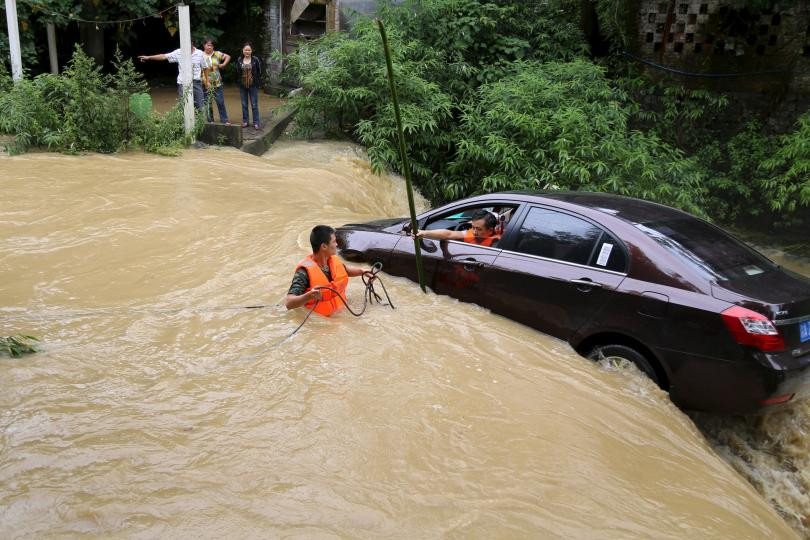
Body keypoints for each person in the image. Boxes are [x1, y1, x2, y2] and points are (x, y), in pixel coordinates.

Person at [285, 225, 367, 317]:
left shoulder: (332, 260)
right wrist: (308, 296)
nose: (336, 244)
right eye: (334, 241)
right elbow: (289, 303)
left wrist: (361, 272)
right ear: (324, 246)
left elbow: (345, 270)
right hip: (319, 323)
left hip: (340, 313)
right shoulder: (304, 272)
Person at [138, 42, 204, 110]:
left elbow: (204, 67)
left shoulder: (200, 53)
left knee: (200, 105)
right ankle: (183, 120)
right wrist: (149, 57)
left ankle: (200, 120)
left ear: (192, 43)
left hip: (196, 82)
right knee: (183, 105)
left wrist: (205, 79)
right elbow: (164, 56)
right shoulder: (179, 52)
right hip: (182, 83)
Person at [416, 209, 501, 247]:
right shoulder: (471, 233)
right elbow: (449, 234)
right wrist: (424, 233)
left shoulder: (499, 241)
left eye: (479, 229)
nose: (474, 232)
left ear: (490, 230)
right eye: (473, 227)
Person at [201, 37, 231, 124]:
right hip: (205, 83)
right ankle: (210, 121)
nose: (209, 47)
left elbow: (228, 56)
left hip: (217, 82)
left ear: (213, 47)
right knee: (207, 103)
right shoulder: (200, 55)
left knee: (220, 102)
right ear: (204, 45)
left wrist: (223, 64)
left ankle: (224, 120)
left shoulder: (217, 54)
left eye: (211, 45)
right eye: (208, 45)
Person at [233, 42, 262, 130]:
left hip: (253, 85)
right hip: (242, 85)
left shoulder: (255, 60)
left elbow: (259, 71)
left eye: (249, 50)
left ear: (251, 51)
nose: (247, 51)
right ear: (243, 51)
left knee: (254, 104)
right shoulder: (239, 60)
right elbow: (237, 72)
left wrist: (256, 81)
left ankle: (256, 122)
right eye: (245, 50)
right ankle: (245, 121)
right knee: (244, 104)